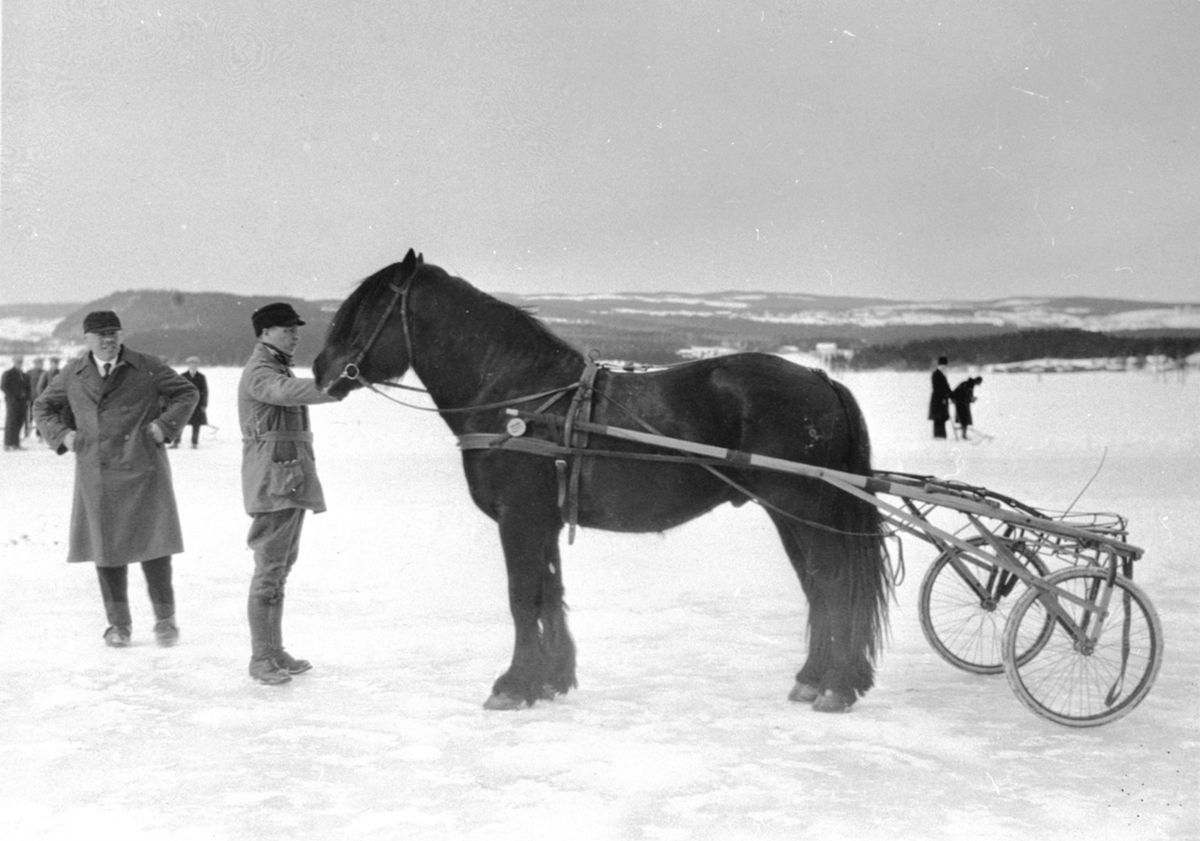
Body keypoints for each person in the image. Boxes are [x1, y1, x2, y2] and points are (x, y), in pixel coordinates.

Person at [33, 311, 199, 647]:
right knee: (106, 552)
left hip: (143, 467)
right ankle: (118, 625)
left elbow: (187, 393)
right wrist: (64, 436)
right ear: (87, 339)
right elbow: (43, 406)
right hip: (97, 472)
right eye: (101, 335)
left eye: (114, 333)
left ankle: (165, 621)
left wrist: (162, 427)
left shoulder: (146, 365)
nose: (109, 340)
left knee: (156, 549)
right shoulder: (74, 373)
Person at [239, 302, 341, 685]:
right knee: (269, 572)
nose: (295, 335)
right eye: (286, 329)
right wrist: (334, 385)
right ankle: (261, 658)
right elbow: (285, 392)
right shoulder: (260, 371)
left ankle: (274, 651)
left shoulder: (275, 365)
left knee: (279, 571)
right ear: (264, 333)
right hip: (272, 483)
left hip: (288, 480)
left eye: (296, 330)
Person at [175, 356, 209, 448]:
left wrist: (204, 405)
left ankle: (194, 443)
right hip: (185, 404)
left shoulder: (201, 377)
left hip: (197, 405)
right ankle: (176, 442)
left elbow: (205, 392)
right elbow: (178, 390)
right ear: (188, 365)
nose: (193, 366)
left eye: (195, 364)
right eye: (191, 364)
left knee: (196, 424)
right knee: (180, 423)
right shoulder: (183, 376)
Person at [2, 355, 30, 451]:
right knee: (11, 422)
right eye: (17, 361)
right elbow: (3, 386)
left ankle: (15, 443)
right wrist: (12, 396)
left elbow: (28, 387)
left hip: (22, 402)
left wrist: (27, 398)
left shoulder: (24, 375)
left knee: (19, 422)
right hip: (12, 402)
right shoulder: (8, 373)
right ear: (13, 362)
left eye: (21, 361)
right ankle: (7, 444)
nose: (19, 363)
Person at [951, 376, 983, 440]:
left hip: (962, 403)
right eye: (979, 383)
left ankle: (964, 435)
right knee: (964, 420)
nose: (979, 385)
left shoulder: (968, 384)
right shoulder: (968, 385)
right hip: (961, 404)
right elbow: (962, 395)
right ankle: (963, 436)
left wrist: (971, 399)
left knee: (964, 420)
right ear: (977, 381)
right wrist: (971, 399)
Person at [928, 356, 952, 439]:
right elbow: (937, 388)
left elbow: (947, 387)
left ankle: (941, 435)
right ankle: (938, 436)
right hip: (938, 400)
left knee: (942, 418)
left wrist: (951, 395)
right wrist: (942, 398)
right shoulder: (936, 374)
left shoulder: (943, 374)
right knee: (938, 418)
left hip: (942, 399)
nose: (944, 367)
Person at [24, 357, 45, 438]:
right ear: (35, 364)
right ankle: (26, 432)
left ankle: (39, 433)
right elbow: (25, 385)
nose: (40, 365)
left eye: (41, 363)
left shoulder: (44, 373)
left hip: (41, 398)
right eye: (38, 363)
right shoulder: (29, 373)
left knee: (40, 416)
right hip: (31, 398)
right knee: (29, 416)